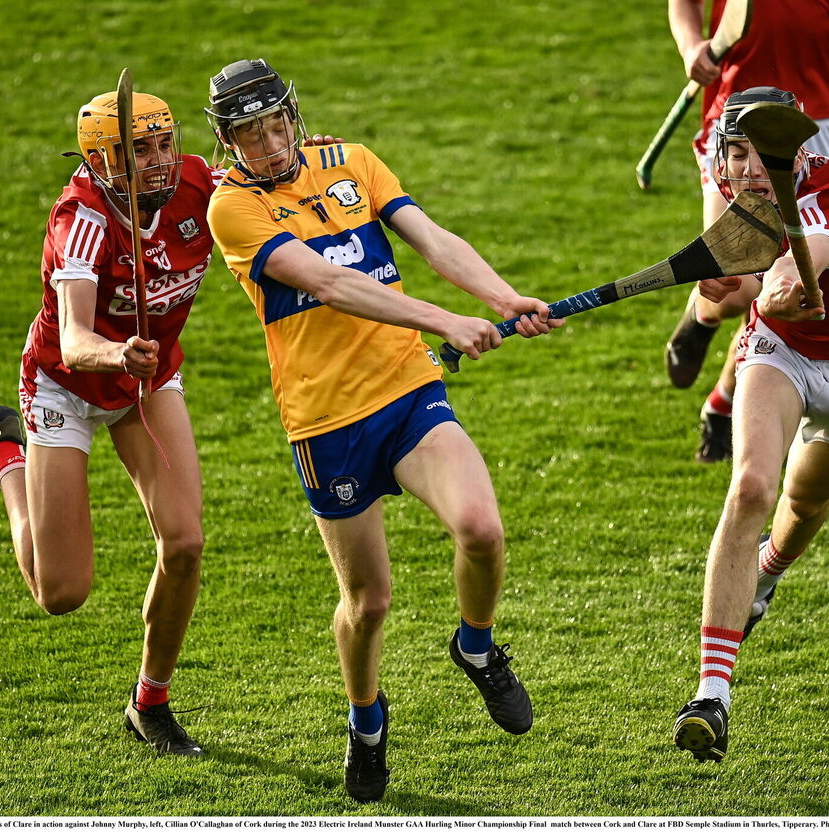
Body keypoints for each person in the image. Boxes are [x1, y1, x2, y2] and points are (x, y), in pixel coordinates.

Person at [203, 58, 561, 803]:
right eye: (249, 133)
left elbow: (430, 238)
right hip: (327, 421)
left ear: (293, 115)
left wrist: (501, 297)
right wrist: (447, 320)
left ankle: (477, 644)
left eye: (277, 124)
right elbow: (333, 284)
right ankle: (366, 721)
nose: (269, 143)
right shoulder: (232, 209)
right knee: (368, 603)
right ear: (227, 140)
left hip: (406, 390)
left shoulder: (352, 160)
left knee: (482, 529)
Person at [0, 89, 228, 757]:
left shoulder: (201, 184)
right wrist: (119, 351)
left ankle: (150, 701)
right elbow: (72, 338)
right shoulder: (82, 218)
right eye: (138, 151)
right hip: (68, 383)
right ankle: (5, 450)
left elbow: (269, 196)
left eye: (163, 144)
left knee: (184, 543)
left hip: (147, 378)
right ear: (102, 160)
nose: (158, 162)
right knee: (61, 591)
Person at [670, 87, 829, 762]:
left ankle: (768, 575)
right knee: (752, 487)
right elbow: (740, 295)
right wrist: (722, 295)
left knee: (804, 502)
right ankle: (712, 695)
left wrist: (777, 282)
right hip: (781, 352)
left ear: (799, 153)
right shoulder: (743, 213)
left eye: (764, 153)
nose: (750, 168)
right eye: (740, 153)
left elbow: (811, 251)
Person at [663, 0, 829, 462]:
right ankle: (701, 320)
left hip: (813, 112)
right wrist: (690, 45)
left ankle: (722, 401)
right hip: (737, 111)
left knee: (792, 281)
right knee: (738, 286)